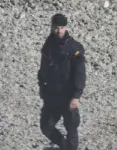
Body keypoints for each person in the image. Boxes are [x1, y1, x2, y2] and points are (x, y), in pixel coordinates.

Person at [36, 13, 86, 150]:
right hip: (52, 94)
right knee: (46, 126)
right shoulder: (48, 45)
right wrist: (42, 86)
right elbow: (43, 68)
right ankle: (64, 146)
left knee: (71, 127)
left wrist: (76, 95)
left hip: (69, 94)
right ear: (52, 27)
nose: (59, 31)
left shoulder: (74, 48)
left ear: (66, 28)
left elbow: (80, 73)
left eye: (62, 27)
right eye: (57, 28)